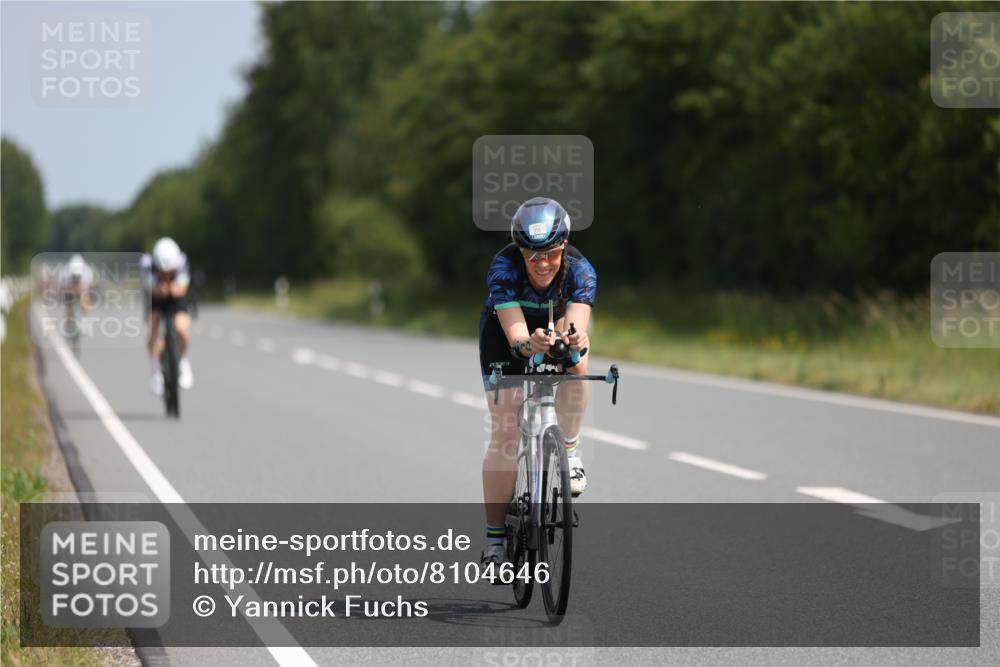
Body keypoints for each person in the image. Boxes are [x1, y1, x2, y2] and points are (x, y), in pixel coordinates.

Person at [478, 197, 597, 570]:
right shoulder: (503, 268)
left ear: (564, 245)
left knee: (578, 362)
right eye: (532, 254)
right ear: (520, 250)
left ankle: (571, 451)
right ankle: (495, 542)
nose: (542, 263)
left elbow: (578, 325)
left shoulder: (580, 270)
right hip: (506, 337)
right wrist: (532, 345)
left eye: (550, 253)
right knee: (506, 433)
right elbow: (516, 337)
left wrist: (571, 341)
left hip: (554, 328)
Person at [146, 238, 194, 395]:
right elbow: (150, 288)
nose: (167, 274)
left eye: (170, 271)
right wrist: (160, 290)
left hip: (176, 298)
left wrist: (173, 289)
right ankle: (155, 372)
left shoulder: (182, 261)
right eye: (163, 271)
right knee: (153, 329)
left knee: (182, 329)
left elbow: (182, 288)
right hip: (157, 298)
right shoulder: (147, 264)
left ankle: (184, 361)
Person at [61, 254, 93, 323]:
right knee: (68, 300)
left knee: (84, 294)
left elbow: (86, 287)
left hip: (82, 287)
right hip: (69, 286)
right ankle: (69, 318)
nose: (76, 279)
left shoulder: (87, 271)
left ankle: (85, 314)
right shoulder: (66, 270)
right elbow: (64, 286)